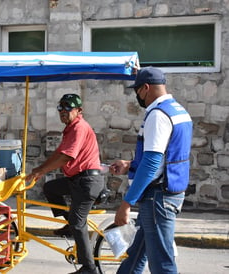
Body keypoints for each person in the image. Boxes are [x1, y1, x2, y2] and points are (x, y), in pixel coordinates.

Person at [109, 67, 193, 274]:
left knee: (162, 264)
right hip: (169, 192)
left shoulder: (158, 115)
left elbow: (153, 163)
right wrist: (130, 165)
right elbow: (167, 156)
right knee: (135, 257)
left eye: (137, 91)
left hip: (158, 198)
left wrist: (126, 203)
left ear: (145, 88)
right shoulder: (178, 110)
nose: (137, 96)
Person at [26, 93, 104, 274]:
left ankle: (89, 268)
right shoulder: (70, 128)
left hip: (87, 182)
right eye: (60, 108)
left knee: (78, 223)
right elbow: (58, 154)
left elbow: (67, 156)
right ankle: (69, 224)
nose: (63, 111)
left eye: (68, 107)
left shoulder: (79, 128)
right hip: (77, 180)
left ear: (79, 110)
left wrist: (42, 170)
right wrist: (38, 170)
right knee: (50, 188)